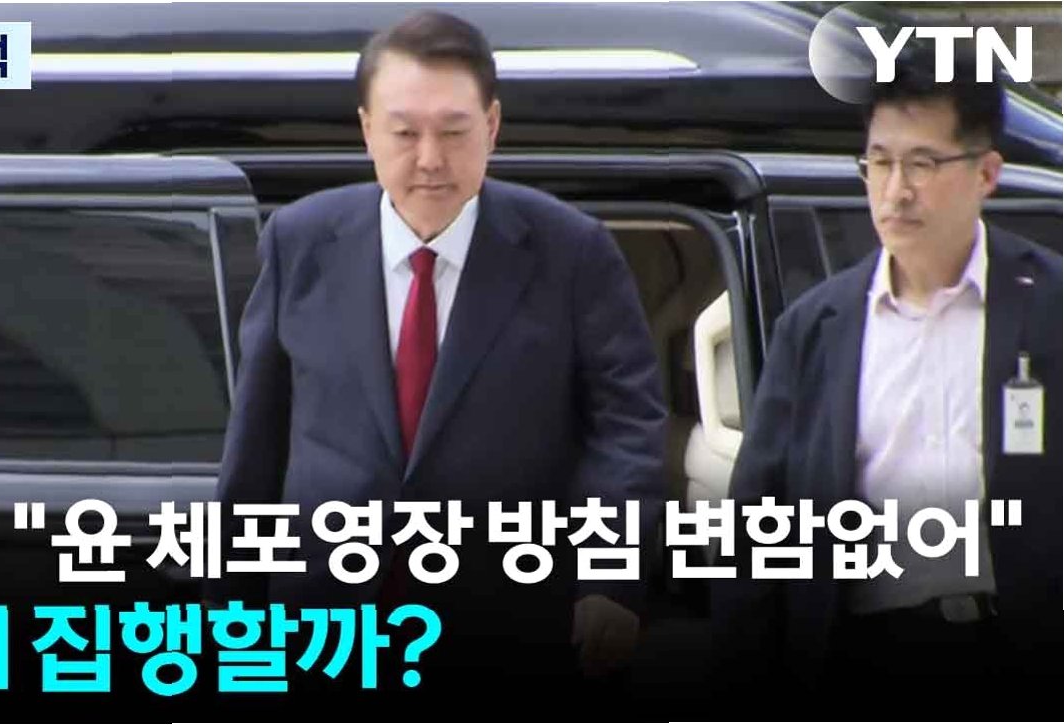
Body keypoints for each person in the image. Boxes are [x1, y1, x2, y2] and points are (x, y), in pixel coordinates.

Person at [207, 9, 667, 713]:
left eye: (453, 132)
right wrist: (229, 611)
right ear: (367, 129)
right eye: (404, 133)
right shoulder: (300, 241)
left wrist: (608, 581)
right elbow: (257, 444)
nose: (429, 159)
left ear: (492, 126)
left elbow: (625, 429)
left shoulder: (571, 251)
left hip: (508, 626)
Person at [710, 51, 1062, 719]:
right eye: (879, 162)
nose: (896, 190)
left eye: (922, 164)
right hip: (863, 661)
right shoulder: (816, 327)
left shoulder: (1049, 305)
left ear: (986, 173)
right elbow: (758, 530)